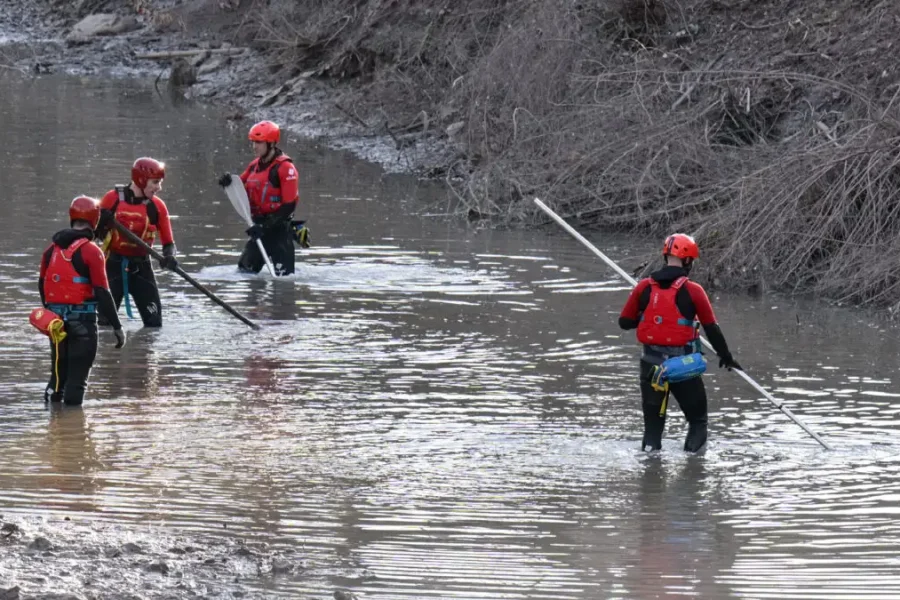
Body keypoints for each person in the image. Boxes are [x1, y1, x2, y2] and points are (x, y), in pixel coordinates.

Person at [618, 233, 741, 452]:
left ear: (666, 257)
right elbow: (712, 329)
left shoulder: (644, 287)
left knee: (652, 431)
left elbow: (625, 322)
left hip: (650, 365)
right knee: (697, 422)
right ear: (687, 261)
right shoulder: (694, 291)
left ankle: (650, 474)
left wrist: (649, 316)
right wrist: (727, 357)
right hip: (682, 366)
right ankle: (694, 475)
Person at [38, 196, 126, 406]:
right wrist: (117, 327)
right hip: (83, 325)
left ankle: (51, 422)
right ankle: (71, 432)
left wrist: (51, 314)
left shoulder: (50, 250)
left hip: (56, 325)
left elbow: (42, 286)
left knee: (57, 379)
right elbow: (103, 292)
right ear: (95, 220)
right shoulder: (91, 251)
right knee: (77, 384)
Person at [94, 157, 178, 327]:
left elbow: (169, 243)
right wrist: (102, 221)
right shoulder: (112, 199)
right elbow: (93, 236)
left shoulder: (158, 207)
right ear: (141, 179)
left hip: (142, 269)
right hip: (113, 267)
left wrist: (170, 256)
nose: (158, 188)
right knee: (103, 326)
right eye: (155, 182)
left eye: (160, 182)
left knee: (154, 325)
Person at [218, 120, 301, 276]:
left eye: (259, 142)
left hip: (279, 231)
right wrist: (227, 182)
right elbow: (239, 187)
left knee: (284, 280)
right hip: (259, 229)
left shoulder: (286, 168)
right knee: (244, 271)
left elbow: (289, 206)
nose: (254, 146)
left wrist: (265, 227)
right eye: (253, 142)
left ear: (271, 143)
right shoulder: (254, 165)